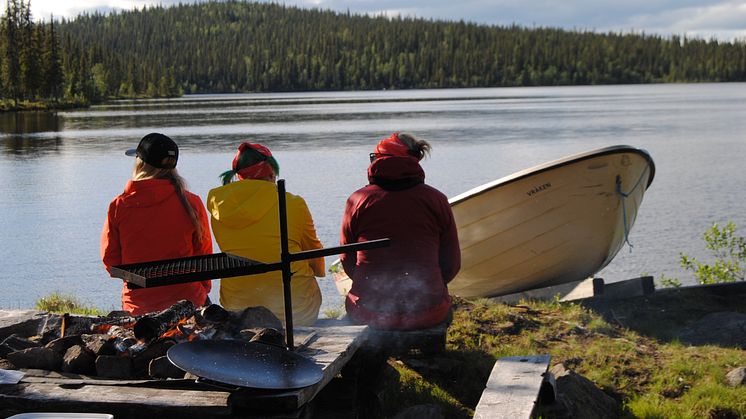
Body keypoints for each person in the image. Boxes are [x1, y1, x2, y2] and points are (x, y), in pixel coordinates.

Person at [340, 132, 461, 330]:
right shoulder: (436, 199)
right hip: (427, 312)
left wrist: (373, 288)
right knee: (442, 308)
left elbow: (347, 260)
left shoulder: (358, 200)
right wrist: (430, 287)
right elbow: (452, 264)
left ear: (379, 160)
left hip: (368, 312)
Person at [206, 142, 325, 327]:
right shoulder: (292, 202)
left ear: (238, 175)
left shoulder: (218, 205)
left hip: (238, 312)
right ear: (272, 172)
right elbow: (313, 252)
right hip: (295, 313)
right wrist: (318, 271)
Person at [101, 133, 212, 315]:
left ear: (141, 164)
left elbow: (111, 263)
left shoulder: (119, 206)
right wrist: (202, 292)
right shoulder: (192, 203)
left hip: (138, 306)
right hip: (189, 302)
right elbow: (204, 257)